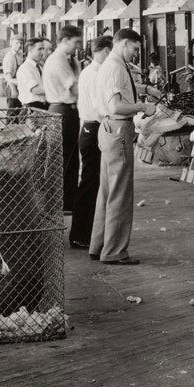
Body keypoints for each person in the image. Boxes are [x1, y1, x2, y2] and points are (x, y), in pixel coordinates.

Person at [89, 29, 157, 265]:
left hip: (108, 130)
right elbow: (117, 106)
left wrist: (146, 90)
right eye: (135, 49)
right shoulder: (115, 67)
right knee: (120, 193)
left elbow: (121, 93)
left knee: (107, 191)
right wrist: (143, 107)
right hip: (118, 129)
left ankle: (98, 246)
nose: (136, 54)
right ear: (124, 44)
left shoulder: (112, 64)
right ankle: (115, 251)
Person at [70, 35, 113, 250]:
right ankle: (80, 234)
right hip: (93, 128)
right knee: (89, 183)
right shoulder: (96, 74)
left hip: (87, 127)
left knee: (90, 182)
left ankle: (84, 233)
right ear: (106, 52)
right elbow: (100, 106)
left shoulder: (88, 70)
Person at [43, 26, 81, 215]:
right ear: (65, 40)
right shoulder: (58, 60)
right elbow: (74, 88)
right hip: (64, 111)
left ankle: (65, 201)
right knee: (67, 157)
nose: (77, 46)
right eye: (75, 42)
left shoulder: (60, 59)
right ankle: (65, 203)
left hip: (60, 110)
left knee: (67, 157)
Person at [17, 38, 52, 110]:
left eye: (43, 49)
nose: (42, 52)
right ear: (30, 50)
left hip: (42, 106)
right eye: (39, 49)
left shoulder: (38, 66)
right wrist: (56, 89)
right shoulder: (26, 68)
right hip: (31, 108)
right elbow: (36, 90)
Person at [1, 35, 25, 109]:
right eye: (17, 43)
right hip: (12, 86)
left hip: (19, 85)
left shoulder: (20, 55)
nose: (19, 45)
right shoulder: (9, 57)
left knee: (19, 110)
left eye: (21, 43)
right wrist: (14, 90)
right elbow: (8, 76)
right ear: (11, 43)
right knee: (12, 111)